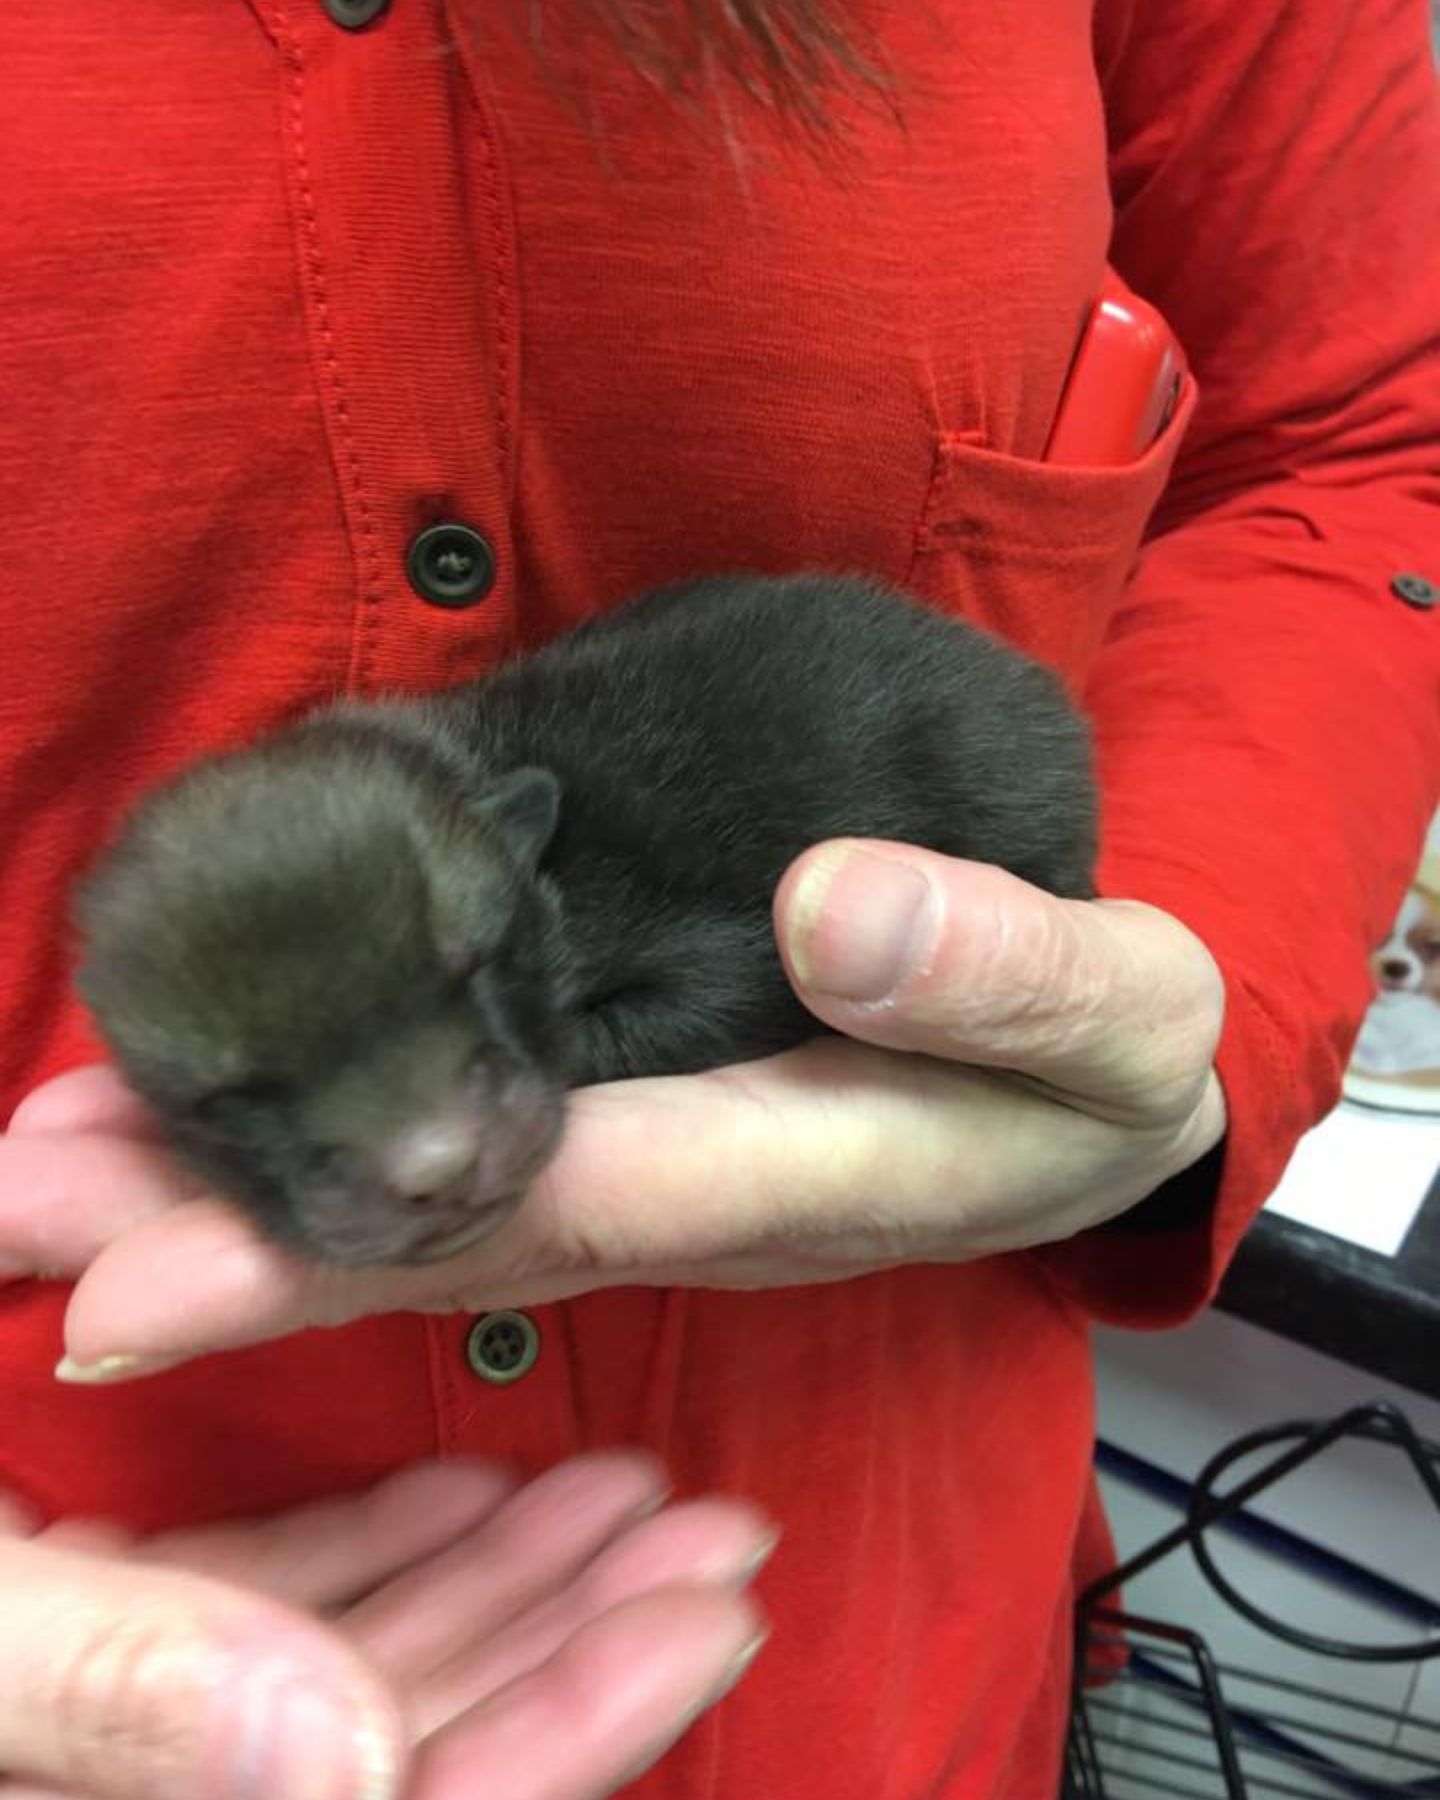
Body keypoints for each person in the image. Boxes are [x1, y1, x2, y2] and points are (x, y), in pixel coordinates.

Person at [0, 1, 1436, 1796]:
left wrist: (1174, 969)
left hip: (886, 1578)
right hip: (100, 1542)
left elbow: (1355, 438)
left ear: (516, 864)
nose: (438, 1158)